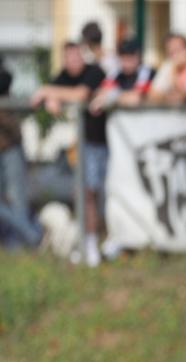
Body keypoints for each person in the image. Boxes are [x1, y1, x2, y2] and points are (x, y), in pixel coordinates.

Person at [30, 42, 107, 267]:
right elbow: (52, 96)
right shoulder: (63, 76)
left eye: (76, 57)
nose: (73, 62)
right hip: (79, 147)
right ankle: (88, 243)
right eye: (68, 58)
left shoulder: (94, 71)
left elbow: (80, 94)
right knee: (84, 193)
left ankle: (95, 243)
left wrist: (48, 92)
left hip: (100, 143)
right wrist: (51, 98)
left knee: (96, 194)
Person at [0, 55, 41, 248]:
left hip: (10, 146)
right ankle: (31, 235)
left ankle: (20, 242)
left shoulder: (4, 76)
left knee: (17, 198)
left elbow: (4, 80)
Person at [89, 39, 155, 113]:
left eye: (130, 59)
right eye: (123, 59)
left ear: (138, 57)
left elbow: (135, 99)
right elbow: (100, 93)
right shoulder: (116, 73)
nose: (126, 64)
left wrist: (110, 97)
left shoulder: (146, 72)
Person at [147, 33, 186, 107]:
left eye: (178, 49)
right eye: (171, 51)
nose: (175, 55)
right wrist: (167, 97)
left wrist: (184, 95)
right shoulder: (168, 65)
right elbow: (153, 96)